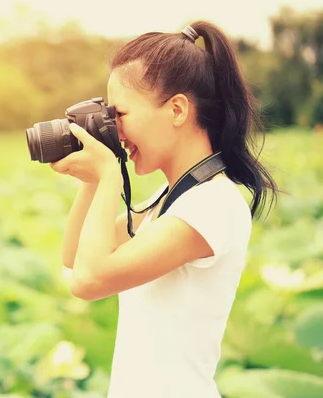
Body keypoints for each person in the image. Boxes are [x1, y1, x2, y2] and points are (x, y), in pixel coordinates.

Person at [49, 21, 278, 398]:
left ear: (176, 110)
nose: (115, 132)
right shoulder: (170, 199)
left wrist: (108, 175)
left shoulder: (213, 205)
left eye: (119, 115)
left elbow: (89, 282)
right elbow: (75, 256)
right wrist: (91, 179)